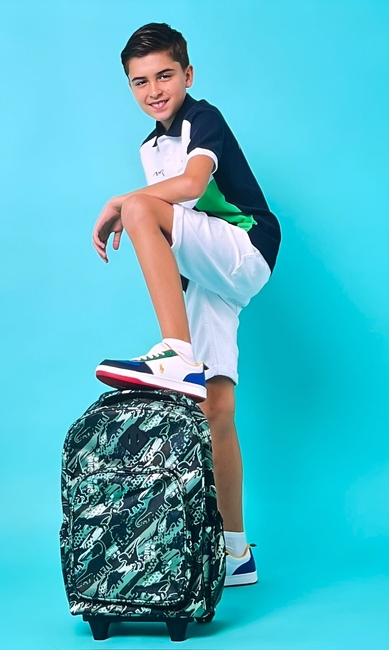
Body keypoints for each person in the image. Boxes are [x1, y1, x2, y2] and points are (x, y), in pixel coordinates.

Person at [92, 22, 281, 587]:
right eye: (140, 81)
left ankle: (174, 353)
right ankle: (236, 552)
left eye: (165, 75)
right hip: (208, 272)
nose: (154, 90)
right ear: (129, 87)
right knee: (215, 407)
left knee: (137, 209)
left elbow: (193, 186)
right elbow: (175, 234)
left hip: (244, 247)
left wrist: (123, 203)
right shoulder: (149, 148)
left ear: (188, 75)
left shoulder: (204, 118)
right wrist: (143, 216)